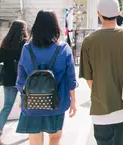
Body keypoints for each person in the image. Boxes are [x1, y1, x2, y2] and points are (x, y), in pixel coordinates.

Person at [80, 0, 123, 145]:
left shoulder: (89, 40)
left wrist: (102, 93)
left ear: (98, 14)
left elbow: (89, 79)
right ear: (118, 13)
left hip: (101, 107)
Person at [16, 10, 77, 145]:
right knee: (55, 138)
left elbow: (20, 78)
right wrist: (73, 101)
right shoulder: (63, 49)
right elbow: (70, 79)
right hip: (57, 102)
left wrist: (22, 96)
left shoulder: (27, 49)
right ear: (55, 27)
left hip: (32, 102)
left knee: (35, 141)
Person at [0, 20, 28, 145]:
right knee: (27, 106)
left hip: (8, 80)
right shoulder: (24, 44)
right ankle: (30, 131)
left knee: (7, 107)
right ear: (23, 30)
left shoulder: (5, 43)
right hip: (22, 80)